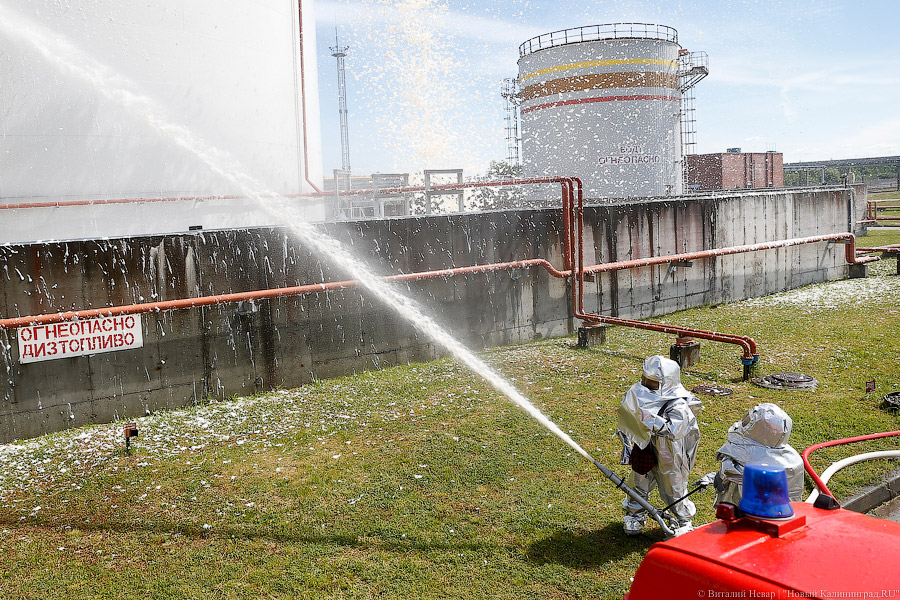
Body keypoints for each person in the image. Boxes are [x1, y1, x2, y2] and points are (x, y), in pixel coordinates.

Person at [617, 355, 702, 536]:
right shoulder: (638, 392)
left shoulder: (678, 403)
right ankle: (634, 515)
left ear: (667, 382)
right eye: (645, 379)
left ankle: (683, 519)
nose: (646, 384)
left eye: (653, 383)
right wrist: (627, 447)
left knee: (673, 485)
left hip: (669, 452)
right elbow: (626, 421)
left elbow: (675, 430)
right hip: (644, 447)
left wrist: (648, 418)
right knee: (639, 481)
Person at [713, 403, 804, 506]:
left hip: (749, 514)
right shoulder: (793, 461)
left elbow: (730, 475)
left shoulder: (745, 456)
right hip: (785, 516)